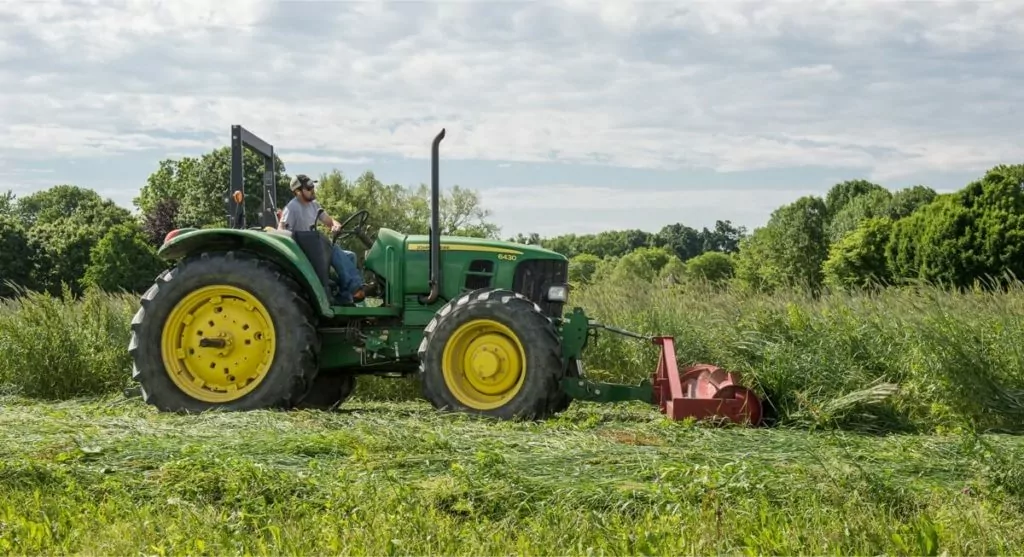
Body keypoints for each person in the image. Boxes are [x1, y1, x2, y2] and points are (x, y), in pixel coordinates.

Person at [279, 174, 364, 305]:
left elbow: (329, 221)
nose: (313, 189)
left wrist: (335, 225)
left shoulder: (314, 205)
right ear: (298, 191)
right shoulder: (292, 208)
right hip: (304, 252)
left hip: (317, 249)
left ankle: (344, 298)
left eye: (313, 186)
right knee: (333, 249)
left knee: (350, 256)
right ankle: (356, 287)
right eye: (309, 187)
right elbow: (282, 232)